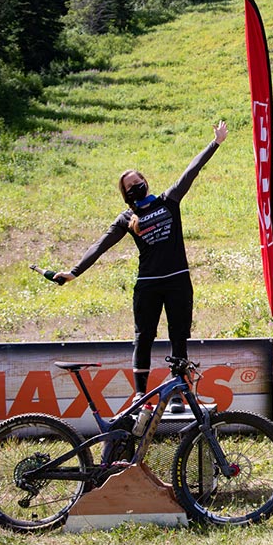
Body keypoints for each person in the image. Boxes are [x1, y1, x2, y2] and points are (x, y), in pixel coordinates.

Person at [56, 120, 228, 404]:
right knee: (143, 336)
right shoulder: (126, 219)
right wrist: (73, 273)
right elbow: (100, 246)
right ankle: (139, 394)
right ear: (126, 194)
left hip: (177, 280)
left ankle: (176, 393)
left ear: (146, 181)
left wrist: (216, 143)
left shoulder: (168, 200)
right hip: (147, 285)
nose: (137, 187)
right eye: (131, 186)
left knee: (178, 337)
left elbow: (191, 172)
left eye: (138, 182)